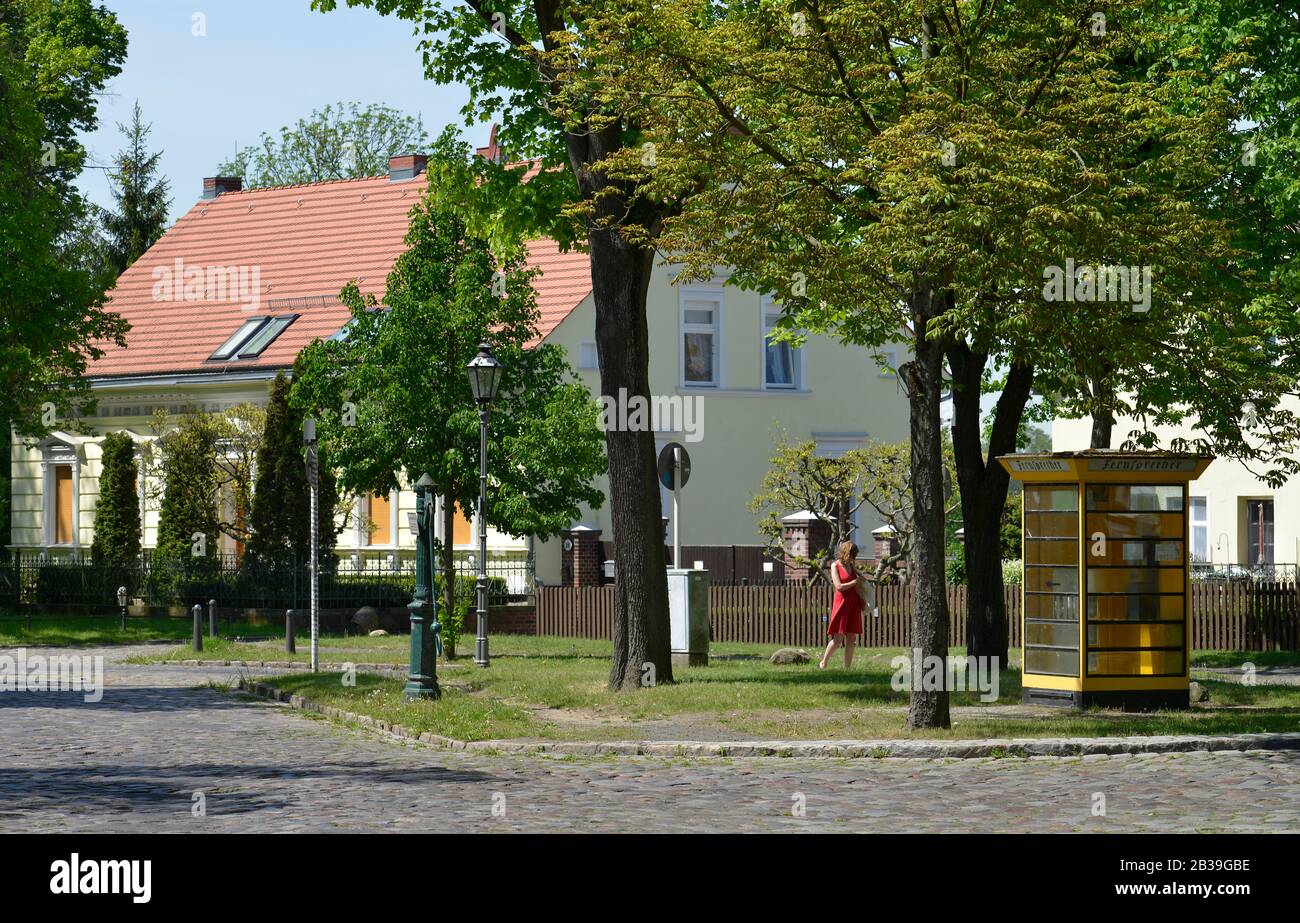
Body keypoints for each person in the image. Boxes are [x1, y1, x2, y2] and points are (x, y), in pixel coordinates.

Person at [819, 541, 866, 670]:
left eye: (854, 555)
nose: (853, 557)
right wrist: (855, 582)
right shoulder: (835, 565)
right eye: (852, 554)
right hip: (842, 604)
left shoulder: (852, 566)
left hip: (854, 604)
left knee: (852, 637)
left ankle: (847, 669)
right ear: (845, 552)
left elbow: (858, 584)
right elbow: (839, 586)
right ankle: (823, 663)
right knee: (838, 639)